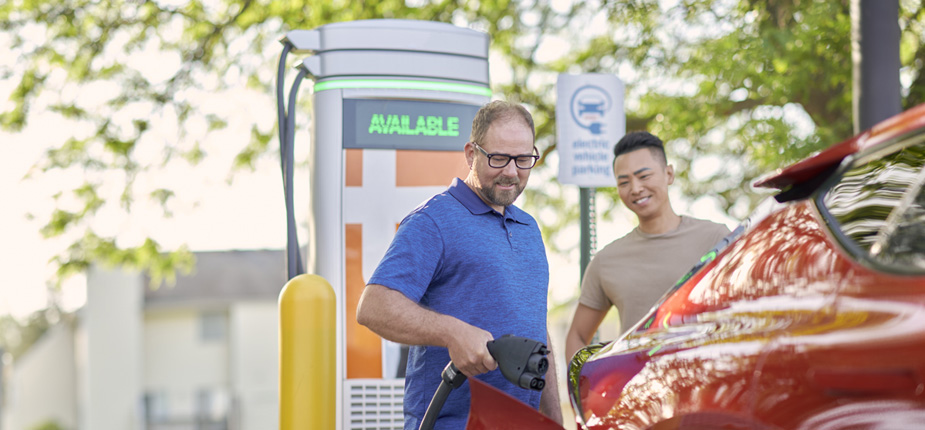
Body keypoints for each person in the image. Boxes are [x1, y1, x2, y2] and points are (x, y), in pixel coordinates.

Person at [356, 100, 562, 429]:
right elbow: (374, 306)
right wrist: (453, 332)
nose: (511, 172)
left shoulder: (529, 229)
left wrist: (554, 420)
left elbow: (538, 331)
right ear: (471, 153)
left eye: (523, 159)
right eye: (499, 158)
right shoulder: (433, 220)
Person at [565, 131, 730, 359]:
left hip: (706, 386)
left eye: (644, 176)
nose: (635, 188)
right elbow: (577, 335)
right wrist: (586, 389)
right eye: (624, 182)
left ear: (669, 174)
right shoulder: (606, 261)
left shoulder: (716, 239)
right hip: (636, 390)